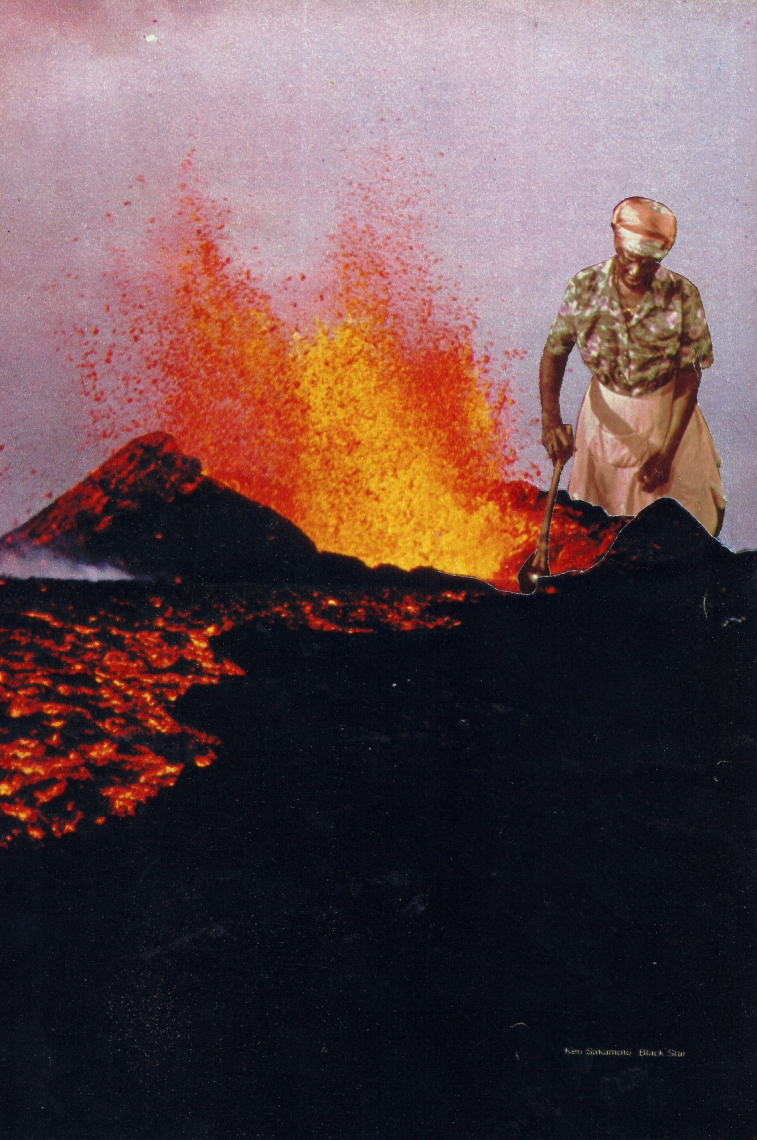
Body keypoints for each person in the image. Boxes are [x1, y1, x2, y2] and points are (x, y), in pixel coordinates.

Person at [540, 197, 725, 536]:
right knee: (600, 532)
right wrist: (551, 419)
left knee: (671, 534)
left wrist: (666, 453)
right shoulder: (585, 286)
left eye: (648, 264)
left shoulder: (682, 294)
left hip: (668, 421)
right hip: (603, 421)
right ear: (615, 240)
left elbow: (689, 375)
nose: (637, 272)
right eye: (629, 258)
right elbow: (555, 352)